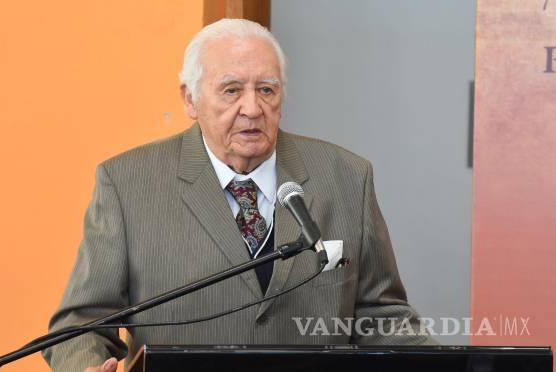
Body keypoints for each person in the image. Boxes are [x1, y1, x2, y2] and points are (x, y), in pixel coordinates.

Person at [43, 19, 435, 372]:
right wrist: (85, 366)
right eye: (231, 90)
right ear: (190, 99)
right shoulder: (129, 184)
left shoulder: (346, 177)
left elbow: (382, 318)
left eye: (267, 90)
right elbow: (80, 324)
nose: (252, 108)